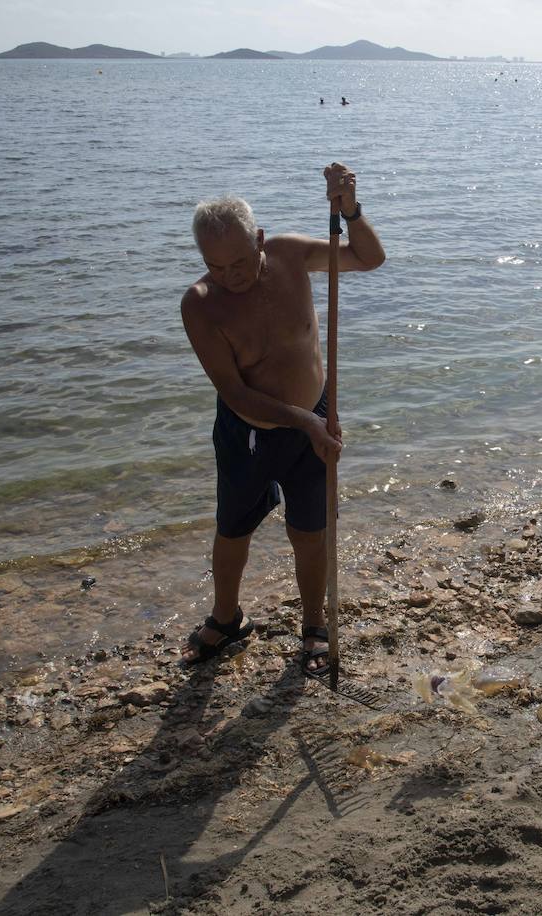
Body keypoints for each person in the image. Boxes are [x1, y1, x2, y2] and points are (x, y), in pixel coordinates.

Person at [179, 163, 386, 676]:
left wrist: (351, 211)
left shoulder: (292, 256)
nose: (232, 278)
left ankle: (314, 626)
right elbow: (235, 393)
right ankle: (226, 620)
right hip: (248, 432)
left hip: (313, 419)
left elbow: (369, 257)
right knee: (232, 531)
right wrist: (306, 423)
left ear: (262, 241)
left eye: (241, 263)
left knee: (310, 531)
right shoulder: (201, 305)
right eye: (217, 267)